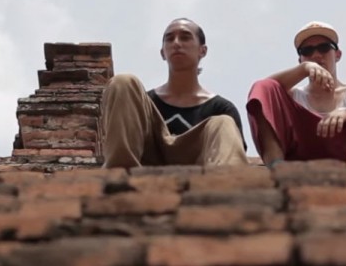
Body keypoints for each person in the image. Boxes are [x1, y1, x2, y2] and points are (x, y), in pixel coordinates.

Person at [247, 21, 346, 167]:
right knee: (262, 88)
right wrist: (303, 70)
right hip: (301, 153)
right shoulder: (294, 96)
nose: (316, 55)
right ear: (300, 60)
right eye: (307, 51)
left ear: (337, 55)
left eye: (324, 48)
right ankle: (277, 167)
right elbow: (262, 90)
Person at [101, 18, 248, 168]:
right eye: (169, 39)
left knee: (223, 122)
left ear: (202, 50)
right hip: (143, 168)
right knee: (124, 82)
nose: (176, 43)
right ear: (162, 53)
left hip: (202, 177)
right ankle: (119, 176)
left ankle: (226, 183)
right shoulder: (143, 105)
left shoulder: (221, 108)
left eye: (185, 37)